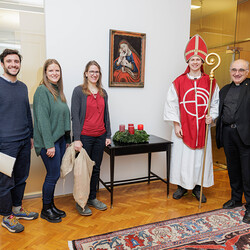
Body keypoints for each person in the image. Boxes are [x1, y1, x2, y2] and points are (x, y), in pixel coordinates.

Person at [164, 34, 219, 203]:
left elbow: (215, 103)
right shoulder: (178, 82)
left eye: (198, 59)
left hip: (201, 128)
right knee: (183, 158)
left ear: (202, 62)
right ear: (187, 62)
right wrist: (176, 124)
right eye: (192, 59)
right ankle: (181, 187)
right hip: (184, 127)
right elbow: (171, 104)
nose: (195, 62)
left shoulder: (210, 82)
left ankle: (197, 187)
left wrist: (212, 116)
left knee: (198, 159)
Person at [0, 49, 38, 233]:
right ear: (2, 64)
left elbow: (26, 114)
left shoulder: (23, 87)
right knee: (5, 181)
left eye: (16, 61)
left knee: (21, 178)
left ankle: (17, 208)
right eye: (9, 61)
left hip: (23, 141)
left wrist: (30, 136)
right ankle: (7, 216)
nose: (13, 64)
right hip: (4, 144)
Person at [71, 60, 111, 216]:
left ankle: (92, 198)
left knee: (95, 169)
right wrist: (77, 138)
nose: (94, 74)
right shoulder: (79, 91)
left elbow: (106, 115)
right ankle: (81, 201)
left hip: (100, 136)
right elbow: (74, 115)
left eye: (97, 72)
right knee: (83, 171)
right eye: (91, 71)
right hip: (85, 137)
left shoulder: (103, 92)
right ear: (86, 73)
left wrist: (108, 134)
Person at [33, 59, 71, 223]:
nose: (54, 73)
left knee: (54, 175)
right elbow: (42, 121)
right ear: (45, 73)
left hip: (60, 140)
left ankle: (52, 206)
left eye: (57, 71)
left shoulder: (58, 92)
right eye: (51, 71)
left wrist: (68, 139)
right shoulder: (42, 91)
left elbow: (64, 117)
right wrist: (49, 145)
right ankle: (45, 209)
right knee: (52, 175)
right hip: (49, 142)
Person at [216, 59, 250, 224]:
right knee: (233, 169)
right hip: (228, 134)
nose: (237, 73)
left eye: (241, 70)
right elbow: (219, 111)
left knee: (248, 173)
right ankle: (236, 198)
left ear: (247, 72)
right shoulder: (224, 90)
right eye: (234, 70)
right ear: (230, 71)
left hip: (246, 136)